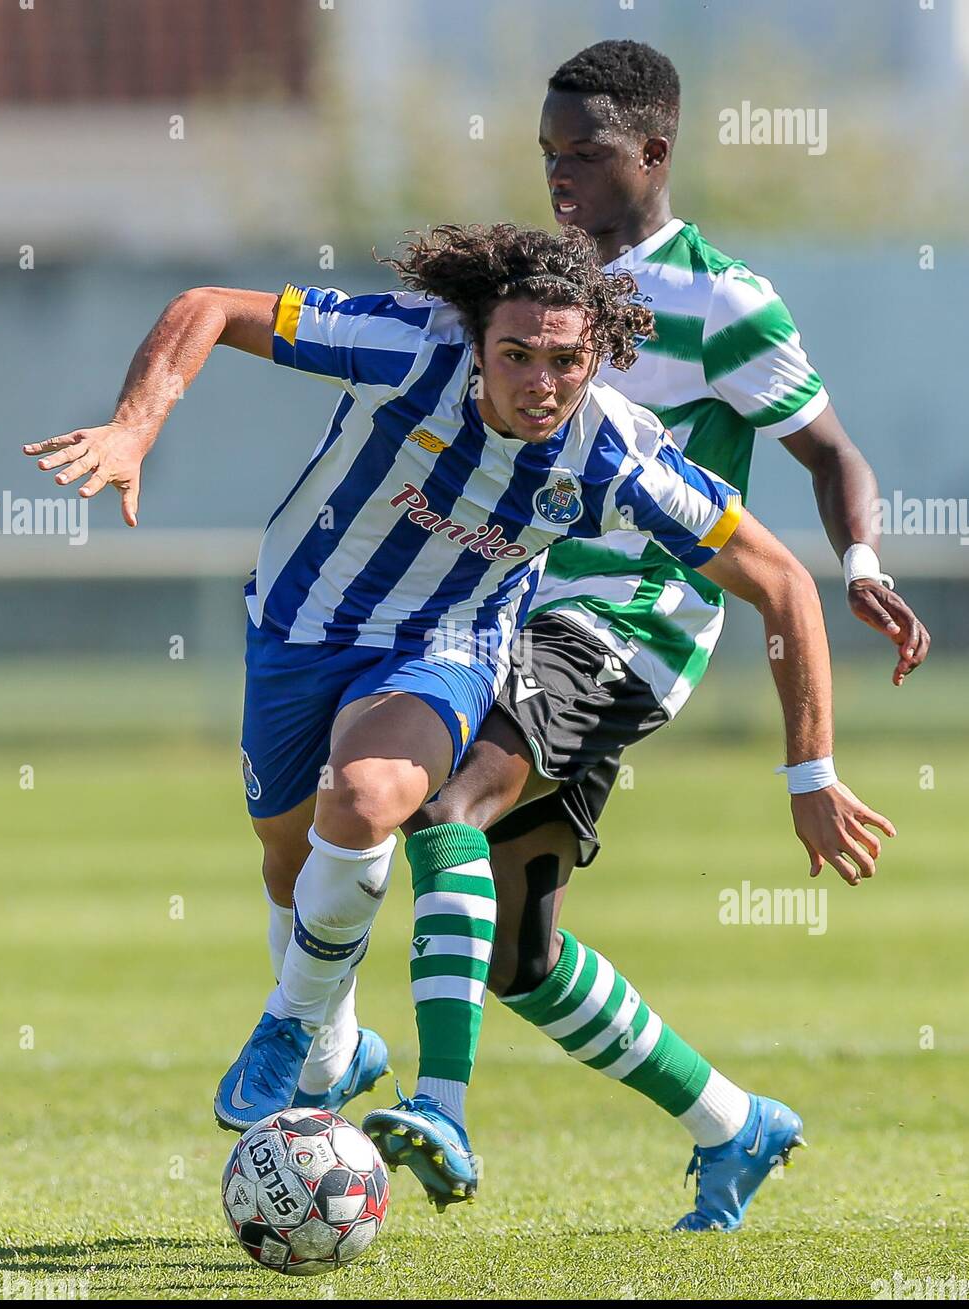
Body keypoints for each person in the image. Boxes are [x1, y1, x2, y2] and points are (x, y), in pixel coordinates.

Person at [25, 222, 887, 1223]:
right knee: (294, 865)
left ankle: (310, 1030)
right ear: (477, 345)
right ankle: (345, 1050)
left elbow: (781, 580)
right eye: (515, 354)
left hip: (448, 646)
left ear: (598, 356)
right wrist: (134, 427)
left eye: (565, 360)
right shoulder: (406, 345)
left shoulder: (612, 454)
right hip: (298, 627)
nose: (539, 381)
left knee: (377, 801)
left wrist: (808, 772)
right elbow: (205, 308)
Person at [365, 41, 925, 1232]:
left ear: (653, 154)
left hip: (627, 628)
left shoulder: (723, 300)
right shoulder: (542, 291)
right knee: (515, 954)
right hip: (511, 614)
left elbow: (831, 454)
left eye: (584, 153)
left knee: (438, 798)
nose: (559, 174)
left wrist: (860, 568)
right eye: (547, 154)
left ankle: (432, 1102)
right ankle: (735, 1125)